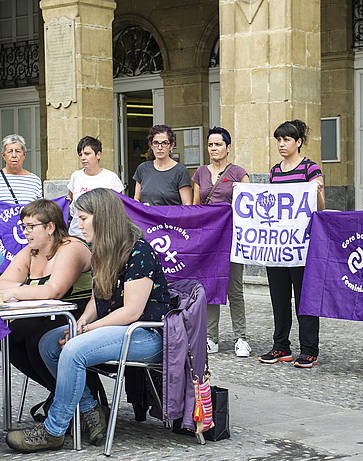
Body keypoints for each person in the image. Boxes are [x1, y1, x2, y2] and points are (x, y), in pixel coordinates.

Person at [5, 188, 171, 452]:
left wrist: (86, 331)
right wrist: (80, 323)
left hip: (146, 334)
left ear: (102, 217)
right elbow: (98, 298)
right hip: (118, 329)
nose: (78, 225)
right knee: (51, 343)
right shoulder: (102, 250)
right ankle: (91, 408)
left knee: (73, 348)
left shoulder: (139, 251)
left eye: (83, 218)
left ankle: (53, 430)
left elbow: (132, 312)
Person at [0, 199, 95, 413]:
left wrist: (17, 291)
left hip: (78, 314)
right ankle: (63, 395)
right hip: (46, 315)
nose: (25, 232)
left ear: (50, 227)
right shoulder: (31, 251)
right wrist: (25, 289)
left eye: (31, 227)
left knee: (32, 335)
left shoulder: (71, 247)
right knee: (8, 337)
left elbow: (54, 290)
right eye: (24, 227)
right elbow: (0, 283)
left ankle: (82, 402)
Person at [258, 120, 324, 369]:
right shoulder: (275, 171)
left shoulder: (311, 169)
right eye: (279, 140)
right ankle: (281, 345)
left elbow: (321, 208)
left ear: (298, 142)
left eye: (286, 139)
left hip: (302, 245)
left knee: (304, 298)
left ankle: (309, 348)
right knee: (279, 297)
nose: (282, 144)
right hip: (277, 246)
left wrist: (316, 191)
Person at [192, 126, 251, 357]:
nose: (214, 148)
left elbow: (250, 204)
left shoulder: (238, 172)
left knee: (234, 287)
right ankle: (210, 337)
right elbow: (196, 207)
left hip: (233, 237)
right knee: (209, 287)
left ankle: (241, 337)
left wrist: (242, 191)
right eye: (210, 144)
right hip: (209, 239)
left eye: (218, 144)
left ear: (228, 147)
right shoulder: (200, 173)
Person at [67, 136, 124, 238]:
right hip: (77, 235)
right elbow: (70, 200)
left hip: (102, 236)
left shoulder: (111, 178)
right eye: (80, 154)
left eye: (87, 154)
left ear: (98, 155)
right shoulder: (76, 176)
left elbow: (119, 207)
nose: (83, 158)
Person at [133, 125, 192, 206]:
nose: (159, 147)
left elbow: (187, 204)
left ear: (171, 146)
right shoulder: (142, 168)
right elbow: (136, 199)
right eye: (156, 143)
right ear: (151, 145)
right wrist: (141, 207)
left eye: (164, 143)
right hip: (146, 218)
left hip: (171, 218)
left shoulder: (180, 171)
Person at [0, 134, 42, 205]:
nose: (14, 155)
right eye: (10, 151)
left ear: (24, 155)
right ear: (3, 155)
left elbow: (39, 210)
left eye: (18, 151)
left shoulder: (35, 181)